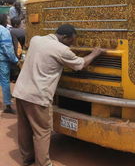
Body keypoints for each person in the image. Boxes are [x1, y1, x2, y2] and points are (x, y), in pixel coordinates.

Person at [13, 24, 105, 166]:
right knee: (42, 132)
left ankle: (27, 159)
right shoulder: (62, 50)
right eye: (71, 41)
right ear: (64, 37)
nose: (72, 44)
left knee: (24, 128)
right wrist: (95, 53)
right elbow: (80, 64)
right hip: (38, 96)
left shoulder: (36, 40)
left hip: (20, 92)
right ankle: (44, 163)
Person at [0, 14, 18, 113]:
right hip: (2, 60)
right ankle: (7, 105)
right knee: (5, 81)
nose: (8, 20)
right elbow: (7, 48)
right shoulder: (4, 31)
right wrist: (15, 60)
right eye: (7, 18)